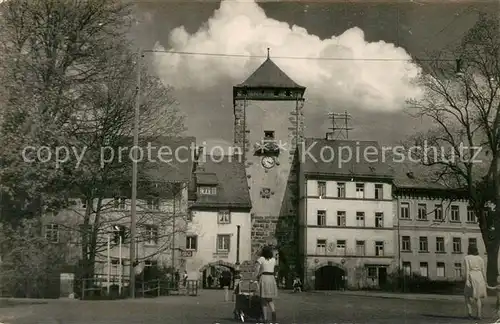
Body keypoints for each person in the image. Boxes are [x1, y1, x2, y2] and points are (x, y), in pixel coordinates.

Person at [254, 245, 278, 322]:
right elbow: (274, 269)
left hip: (264, 277)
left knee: (263, 299)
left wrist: (255, 277)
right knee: (270, 298)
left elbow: (257, 270)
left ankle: (265, 318)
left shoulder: (261, 259)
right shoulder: (273, 260)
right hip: (271, 278)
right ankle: (273, 313)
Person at [464, 244, 487, 319]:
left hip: (472, 276)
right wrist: (485, 280)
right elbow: (483, 270)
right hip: (480, 277)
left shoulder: (467, 258)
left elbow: (467, 269)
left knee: (467, 295)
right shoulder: (480, 258)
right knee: (478, 297)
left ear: (469, 250)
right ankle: (479, 315)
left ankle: (470, 313)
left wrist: (467, 280)